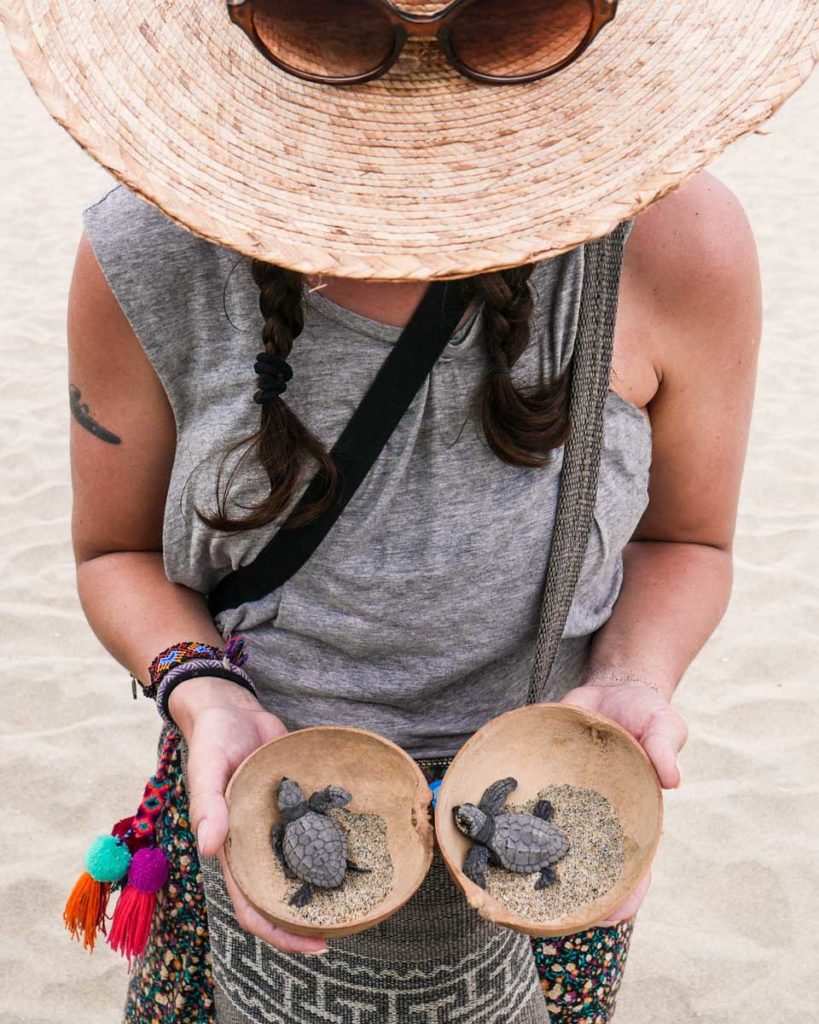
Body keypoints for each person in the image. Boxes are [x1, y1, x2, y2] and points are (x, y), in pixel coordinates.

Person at [6, 1, 816, 1021]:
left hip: (545, 840)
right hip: (238, 805)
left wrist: (631, 675)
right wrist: (203, 693)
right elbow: (114, 550)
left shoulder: (678, 245)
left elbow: (689, 537)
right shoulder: (149, 250)